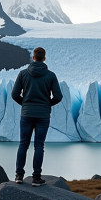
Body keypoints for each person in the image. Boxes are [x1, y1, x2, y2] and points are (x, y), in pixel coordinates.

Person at [11, 46, 63, 186]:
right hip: (43, 115)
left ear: (33, 58)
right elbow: (58, 96)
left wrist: (25, 104)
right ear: (44, 58)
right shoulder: (51, 75)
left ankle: (19, 176)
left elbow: (14, 94)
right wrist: (47, 105)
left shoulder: (23, 74)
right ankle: (36, 177)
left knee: (23, 144)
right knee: (39, 146)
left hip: (26, 114)